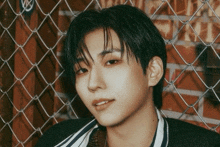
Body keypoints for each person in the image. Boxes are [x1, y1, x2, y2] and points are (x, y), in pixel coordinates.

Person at [35, 5, 220, 147]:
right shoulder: (58, 139)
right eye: (82, 70)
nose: (93, 83)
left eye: (111, 62)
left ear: (153, 71)